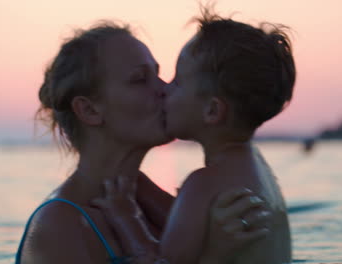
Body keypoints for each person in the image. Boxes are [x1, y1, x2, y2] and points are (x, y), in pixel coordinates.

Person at [15, 21, 273, 264]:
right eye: (140, 79)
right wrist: (216, 256)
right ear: (89, 110)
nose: (164, 89)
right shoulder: (59, 226)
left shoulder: (147, 201)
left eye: (158, 75)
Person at [93, 8, 295, 264]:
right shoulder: (259, 170)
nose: (165, 89)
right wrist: (139, 187)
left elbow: (163, 263)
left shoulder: (202, 185)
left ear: (212, 111)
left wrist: (126, 217)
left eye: (177, 82)